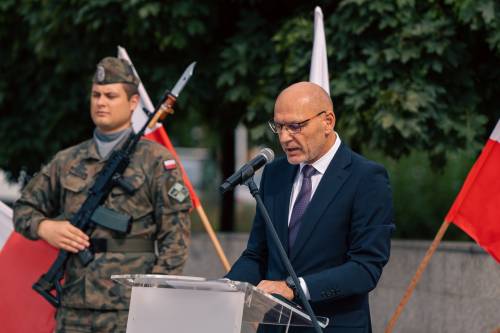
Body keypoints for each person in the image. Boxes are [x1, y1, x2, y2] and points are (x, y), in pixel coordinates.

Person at [13, 57, 192, 333]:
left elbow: (175, 238)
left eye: (110, 95)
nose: (101, 102)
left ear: (133, 103)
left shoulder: (156, 161)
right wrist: (45, 226)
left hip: (130, 309)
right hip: (74, 306)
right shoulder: (68, 160)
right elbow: (24, 208)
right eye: (96, 95)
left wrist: (153, 297)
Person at [226, 82, 394, 333]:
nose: (284, 137)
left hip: (332, 326)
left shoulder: (366, 178)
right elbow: (257, 255)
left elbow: (365, 267)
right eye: (278, 127)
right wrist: (224, 289)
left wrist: (295, 287)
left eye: (295, 126)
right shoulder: (274, 173)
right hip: (274, 326)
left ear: (327, 121)